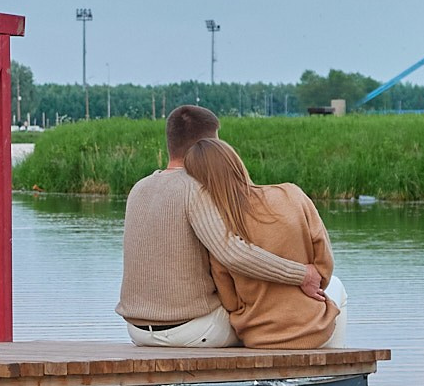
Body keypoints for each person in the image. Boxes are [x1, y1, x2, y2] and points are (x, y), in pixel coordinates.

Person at [117, 106, 325, 348]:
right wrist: (301, 274)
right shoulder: (196, 189)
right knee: (293, 320)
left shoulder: (139, 188)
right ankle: (325, 375)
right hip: (192, 329)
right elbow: (233, 254)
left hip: (137, 331)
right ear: (209, 144)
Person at [184, 137, 344, 349]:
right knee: (337, 287)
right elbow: (324, 265)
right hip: (314, 328)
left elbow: (230, 301)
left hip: (259, 336)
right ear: (237, 164)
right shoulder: (292, 194)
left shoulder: (219, 228)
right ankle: (336, 366)